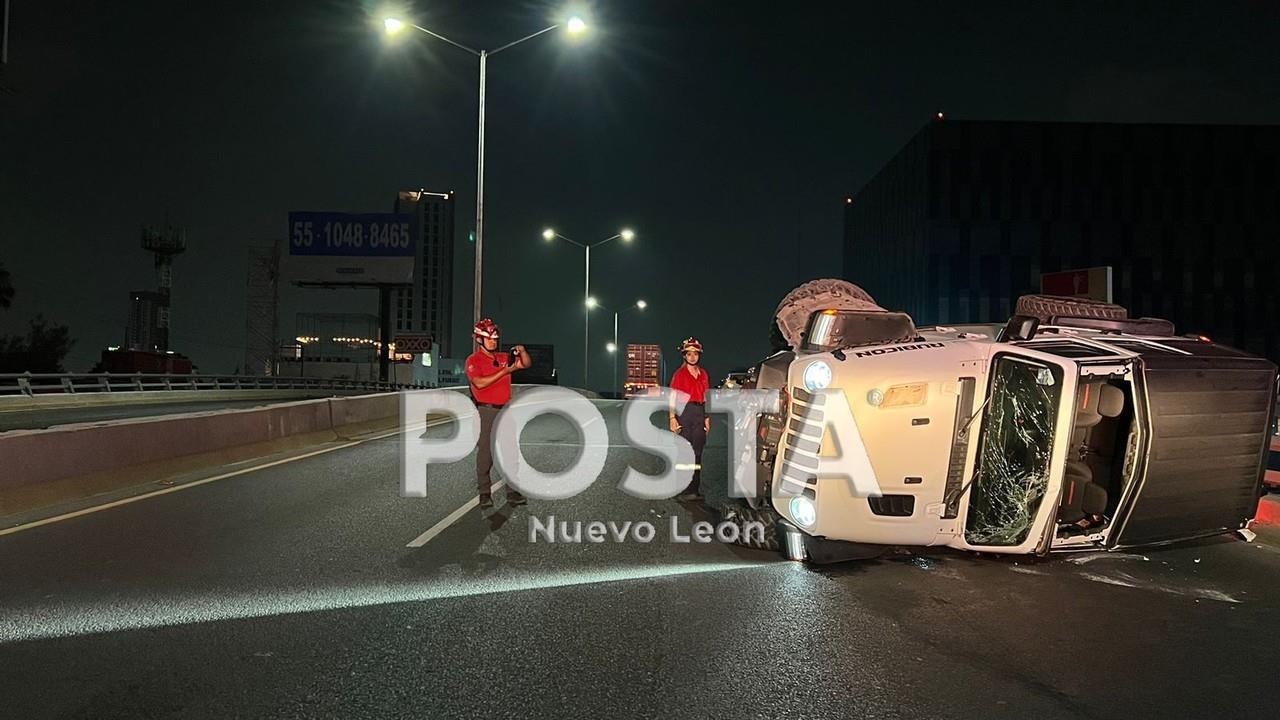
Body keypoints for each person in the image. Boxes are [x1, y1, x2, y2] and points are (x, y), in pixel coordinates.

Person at [465, 318, 530, 509]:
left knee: (510, 453)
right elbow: (479, 383)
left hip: (505, 411)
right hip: (486, 410)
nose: (493, 342)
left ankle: (513, 492)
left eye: (495, 339)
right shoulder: (473, 360)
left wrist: (522, 352)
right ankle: (484, 494)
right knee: (486, 454)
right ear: (479, 340)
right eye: (489, 339)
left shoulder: (502, 357)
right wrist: (505, 371)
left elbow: (524, 364)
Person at [669, 337, 711, 502]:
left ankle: (694, 489)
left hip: (700, 412)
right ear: (684, 355)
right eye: (689, 354)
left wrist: (707, 417)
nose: (692, 357)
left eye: (695, 354)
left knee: (698, 452)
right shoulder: (679, 374)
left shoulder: (704, 374)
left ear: (699, 355)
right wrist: (672, 418)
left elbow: (706, 396)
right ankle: (682, 489)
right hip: (685, 412)